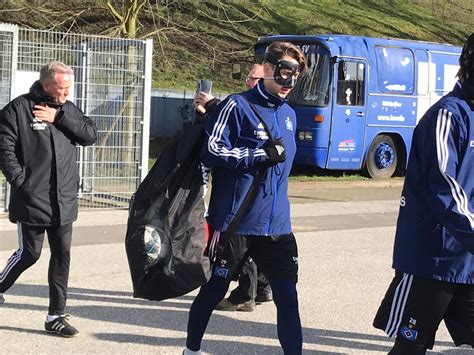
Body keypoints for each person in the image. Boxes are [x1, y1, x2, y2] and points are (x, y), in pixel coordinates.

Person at [184, 41, 307, 355]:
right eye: (283, 74)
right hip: (235, 223)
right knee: (215, 289)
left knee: (287, 297)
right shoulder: (236, 106)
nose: (288, 84)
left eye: (295, 77)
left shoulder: (291, 114)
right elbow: (212, 152)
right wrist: (257, 154)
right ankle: (192, 350)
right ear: (266, 70)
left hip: (276, 226)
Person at [373, 33, 474, 354]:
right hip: (433, 257)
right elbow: (444, 187)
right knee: (410, 348)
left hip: (468, 260)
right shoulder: (448, 115)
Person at [0, 61, 97, 337]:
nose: (66, 93)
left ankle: (55, 315)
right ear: (46, 85)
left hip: (64, 199)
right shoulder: (18, 109)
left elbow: (90, 134)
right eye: (62, 88)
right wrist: (22, 182)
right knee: (29, 254)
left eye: (69, 88)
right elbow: (4, 148)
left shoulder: (66, 109)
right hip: (33, 198)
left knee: (62, 255)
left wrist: (59, 118)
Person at [193, 63, 274, 312]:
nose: (249, 82)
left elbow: (228, 145)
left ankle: (241, 293)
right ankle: (259, 288)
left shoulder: (249, 106)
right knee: (246, 244)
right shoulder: (240, 104)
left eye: (254, 78)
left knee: (233, 245)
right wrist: (206, 112)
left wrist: (215, 105)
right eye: (249, 77)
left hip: (240, 194)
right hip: (242, 193)